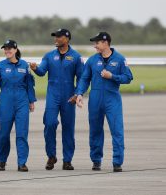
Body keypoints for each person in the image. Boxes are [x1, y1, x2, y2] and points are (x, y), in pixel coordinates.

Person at [76, 32, 133, 172]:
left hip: (112, 99)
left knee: (117, 130)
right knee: (95, 130)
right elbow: (84, 78)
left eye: (97, 43)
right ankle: (96, 161)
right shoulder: (92, 60)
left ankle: (117, 162)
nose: (94, 45)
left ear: (106, 42)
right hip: (95, 99)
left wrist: (112, 76)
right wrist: (79, 93)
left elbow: (128, 77)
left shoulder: (119, 59)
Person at [30, 29, 84, 170]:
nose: (56, 39)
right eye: (55, 37)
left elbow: (82, 78)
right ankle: (51, 156)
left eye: (59, 37)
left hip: (69, 97)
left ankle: (67, 160)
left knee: (68, 128)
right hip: (53, 96)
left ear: (67, 39)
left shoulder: (76, 57)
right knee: (49, 123)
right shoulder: (48, 56)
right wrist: (35, 68)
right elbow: (42, 72)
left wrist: (77, 93)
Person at [0, 39, 36, 172]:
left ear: (15, 50)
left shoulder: (24, 66)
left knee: (22, 133)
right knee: (4, 134)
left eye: (10, 48)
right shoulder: (0, 66)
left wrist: (31, 101)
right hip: (5, 102)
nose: (7, 51)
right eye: (5, 48)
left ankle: (22, 162)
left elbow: (29, 85)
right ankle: (2, 160)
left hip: (22, 102)